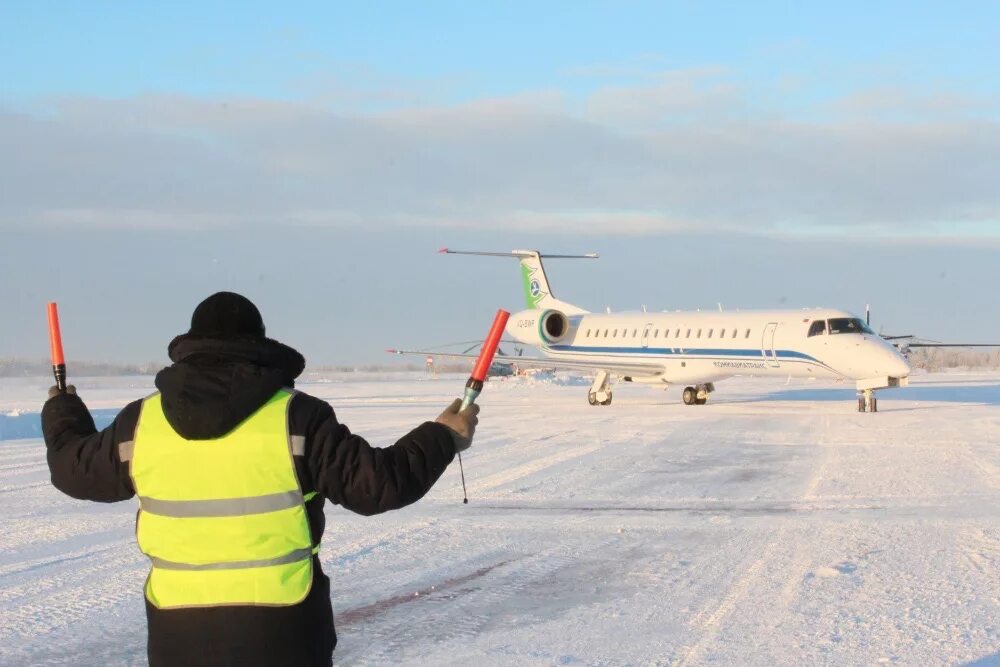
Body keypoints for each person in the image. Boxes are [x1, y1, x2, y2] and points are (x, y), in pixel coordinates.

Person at [41, 292, 479, 666]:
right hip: (284, 632)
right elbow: (378, 484)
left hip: (180, 638)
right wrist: (442, 436)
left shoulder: (141, 422)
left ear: (190, 349)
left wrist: (64, 411)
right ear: (260, 346)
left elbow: (73, 470)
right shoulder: (298, 417)